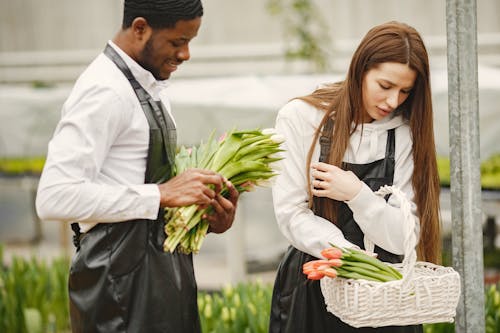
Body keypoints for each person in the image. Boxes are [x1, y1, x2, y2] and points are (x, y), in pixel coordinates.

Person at [35, 1, 239, 332]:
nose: (186, 54)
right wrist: (160, 194)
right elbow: (54, 196)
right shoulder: (105, 90)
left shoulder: (148, 83)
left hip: (163, 276)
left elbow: (142, 184)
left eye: (190, 41)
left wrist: (207, 215)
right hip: (119, 288)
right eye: (177, 42)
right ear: (140, 28)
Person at [269, 21, 441, 332]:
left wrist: (356, 194)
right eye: (385, 86)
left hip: (384, 292)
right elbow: (291, 214)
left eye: (405, 91)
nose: (392, 102)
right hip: (314, 279)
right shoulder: (300, 118)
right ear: (360, 69)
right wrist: (350, 259)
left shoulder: (403, 133)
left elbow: (402, 236)